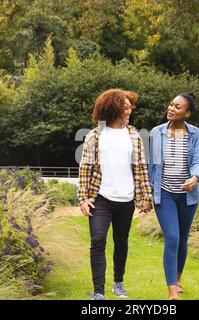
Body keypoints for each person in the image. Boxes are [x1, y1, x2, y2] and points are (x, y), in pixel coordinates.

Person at [77, 88, 153, 300]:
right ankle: (98, 292)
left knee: (121, 241)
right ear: (112, 109)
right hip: (100, 198)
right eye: (125, 108)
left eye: (130, 108)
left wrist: (145, 197)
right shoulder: (95, 135)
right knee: (98, 239)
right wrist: (83, 198)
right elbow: (85, 167)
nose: (129, 111)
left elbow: (140, 167)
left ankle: (118, 282)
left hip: (126, 199)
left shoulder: (134, 136)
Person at [148, 92, 199, 300]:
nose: (171, 108)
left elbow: (198, 160)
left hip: (187, 196)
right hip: (164, 194)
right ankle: (172, 290)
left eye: (178, 107)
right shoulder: (156, 133)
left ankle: (178, 277)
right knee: (172, 237)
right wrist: (146, 192)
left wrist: (195, 178)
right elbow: (151, 165)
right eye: (171, 104)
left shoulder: (196, 134)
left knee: (182, 241)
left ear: (187, 113)